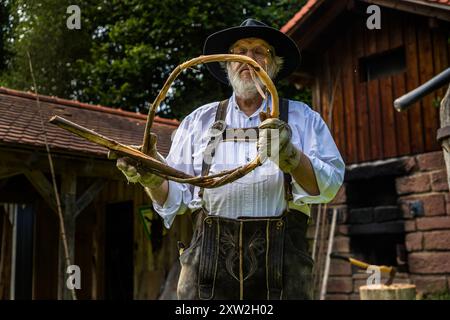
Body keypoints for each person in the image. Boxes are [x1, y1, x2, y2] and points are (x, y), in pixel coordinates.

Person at [115, 19, 345, 300]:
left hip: (283, 275)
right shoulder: (199, 121)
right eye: (239, 51)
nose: (248, 59)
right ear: (227, 65)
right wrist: (151, 178)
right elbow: (176, 196)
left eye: (259, 51)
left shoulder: (303, 118)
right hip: (207, 276)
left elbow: (329, 186)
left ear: (274, 64)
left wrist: (291, 157)